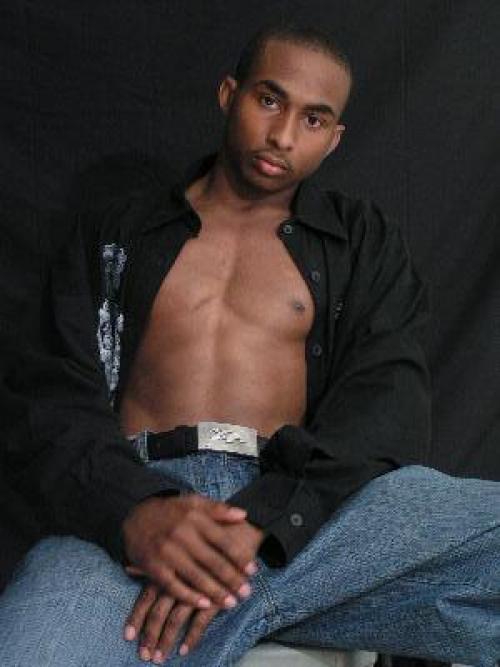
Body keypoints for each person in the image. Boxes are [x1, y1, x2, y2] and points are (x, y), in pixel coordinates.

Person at [0, 23, 499, 667]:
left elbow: (384, 407)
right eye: (269, 100)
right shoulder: (121, 228)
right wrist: (136, 511)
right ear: (228, 94)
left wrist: (268, 522)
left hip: (308, 517)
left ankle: (242, 595)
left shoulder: (360, 242)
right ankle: (232, 598)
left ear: (334, 138)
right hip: (140, 514)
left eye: (313, 120)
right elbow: (50, 393)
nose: (283, 136)